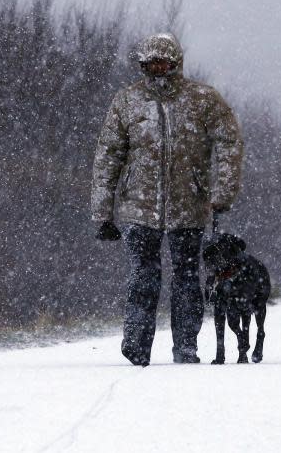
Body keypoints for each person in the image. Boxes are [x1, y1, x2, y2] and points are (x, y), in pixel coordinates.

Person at [91, 33, 244, 366]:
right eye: (150, 63)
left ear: (177, 63)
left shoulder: (203, 101)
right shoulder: (126, 101)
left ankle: (185, 346)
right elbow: (108, 155)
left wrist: (223, 192)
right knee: (143, 275)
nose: (156, 68)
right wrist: (102, 212)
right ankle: (136, 343)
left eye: (163, 62)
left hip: (189, 207)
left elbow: (230, 142)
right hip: (137, 208)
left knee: (187, 278)